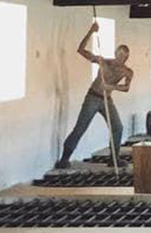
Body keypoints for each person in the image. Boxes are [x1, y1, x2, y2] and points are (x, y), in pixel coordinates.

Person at [55, 21, 133, 169]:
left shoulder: (127, 71)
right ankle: (64, 159)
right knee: (80, 128)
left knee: (118, 127)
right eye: (119, 54)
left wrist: (110, 87)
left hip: (107, 100)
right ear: (115, 53)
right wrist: (91, 31)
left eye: (124, 56)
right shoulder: (103, 62)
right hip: (93, 97)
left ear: (126, 58)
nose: (120, 58)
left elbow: (126, 88)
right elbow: (81, 50)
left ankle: (114, 159)